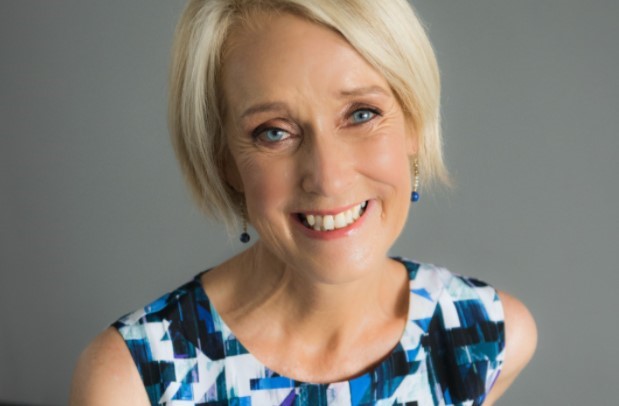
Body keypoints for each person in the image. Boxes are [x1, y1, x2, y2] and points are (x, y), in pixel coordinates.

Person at [70, 0, 537, 404]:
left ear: (413, 123)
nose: (328, 179)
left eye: (361, 114)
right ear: (226, 161)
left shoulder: (485, 339)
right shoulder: (133, 383)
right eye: (274, 131)